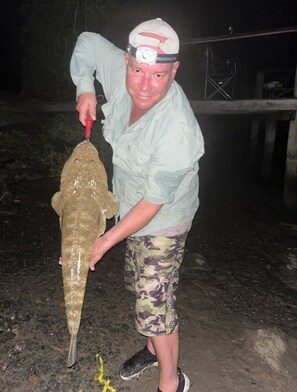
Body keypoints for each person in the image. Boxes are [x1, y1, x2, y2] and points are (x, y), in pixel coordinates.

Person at [70, 17, 204, 392]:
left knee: (153, 304)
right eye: (137, 71)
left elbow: (152, 205)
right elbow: (88, 40)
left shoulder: (177, 130)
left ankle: (171, 381)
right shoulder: (121, 71)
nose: (143, 86)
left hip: (164, 218)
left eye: (158, 76)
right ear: (128, 62)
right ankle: (153, 349)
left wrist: (102, 241)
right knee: (141, 288)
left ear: (174, 70)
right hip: (129, 206)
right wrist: (85, 88)